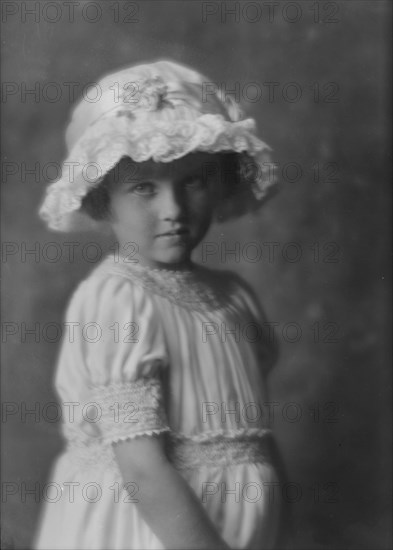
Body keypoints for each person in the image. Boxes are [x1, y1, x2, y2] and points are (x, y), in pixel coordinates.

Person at [34, 60, 286, 550]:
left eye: (191, 182)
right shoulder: (117, 299)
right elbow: (143, 470)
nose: (172, 211)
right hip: (152, 529)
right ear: (103, 201)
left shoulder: (233, 295)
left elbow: (258, 442)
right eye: (144, 188)